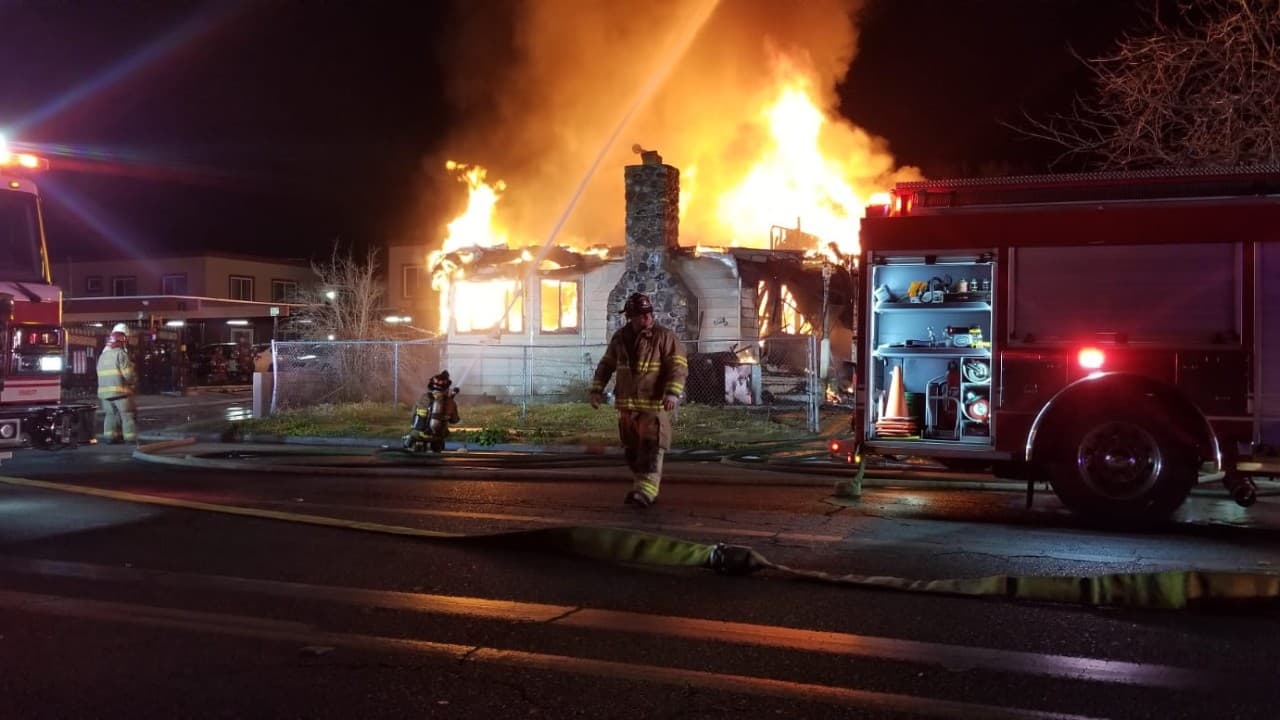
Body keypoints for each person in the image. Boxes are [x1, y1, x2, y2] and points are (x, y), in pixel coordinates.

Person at [589, 292, 688, 508]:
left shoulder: (664, 337)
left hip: (652, 408)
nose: (644, 319)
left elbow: (678, 367)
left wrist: (672, 393)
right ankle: (642, 487)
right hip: (627, 408)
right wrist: (596, 390)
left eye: (646, 314)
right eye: (637, 316)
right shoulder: (620, 338)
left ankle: (645, 492)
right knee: (632, 453)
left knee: (651, 450)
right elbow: (606, 365)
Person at [96, 323, 138, 444]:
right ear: (122, 341)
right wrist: (134, 381)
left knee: (110, 415)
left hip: (104, 394)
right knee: (127, 415)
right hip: (121, 392)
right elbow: (128, 375)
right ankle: (130, 439)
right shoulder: (121, 354)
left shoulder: (102, 356)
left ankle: (110, 438)